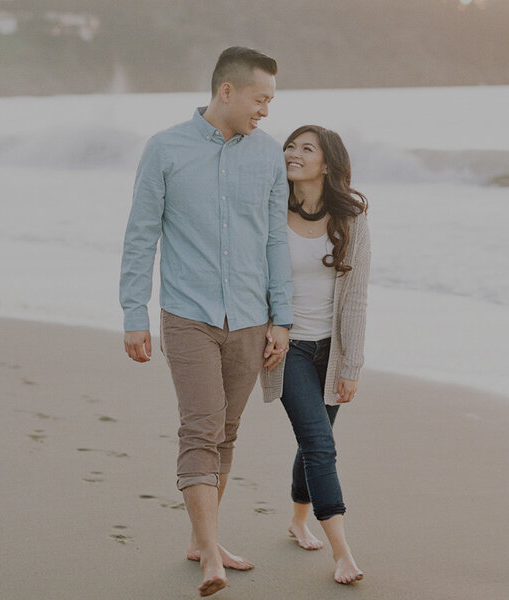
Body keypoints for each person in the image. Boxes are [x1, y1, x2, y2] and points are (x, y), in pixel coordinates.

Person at [119, 46, 293, 597]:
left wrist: (281, 318)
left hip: (249, 317)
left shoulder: (267, 156)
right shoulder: (165, 148)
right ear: (227, 92)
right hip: (187, 315)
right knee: (201, 426)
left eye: (270, 101)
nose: (265, 110)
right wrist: (133, 314)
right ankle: (210, 556)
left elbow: (273, 242)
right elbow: (140, 235)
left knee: (227, 431)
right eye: (260, 99)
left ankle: (202, 539)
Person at [260, 125, 371, 584]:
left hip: (333, 349)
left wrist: (351, 366)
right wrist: (272, 324)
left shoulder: (352, 217)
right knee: (322, 445)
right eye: (290, 146)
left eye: (307, 148)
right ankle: (342, 553)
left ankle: (298, 518)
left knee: (314, 440)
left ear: (327, 163)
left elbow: (358, 295)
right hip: (287, 350)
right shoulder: (269, 210)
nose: (293, 153)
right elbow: (252, 276)